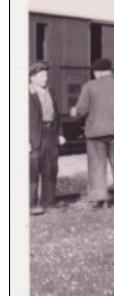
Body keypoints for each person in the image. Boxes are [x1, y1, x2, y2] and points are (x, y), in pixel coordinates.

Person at [70, 58, 114, 209]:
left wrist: (74, 112)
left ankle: (99, 199)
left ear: (96, 72)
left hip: (95, 133)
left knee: (96, 166)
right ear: (110, 71)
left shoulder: (89, 86)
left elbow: (81, 110)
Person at [29, 62, 66, 215]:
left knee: (50, 169)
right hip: (34, 136)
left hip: (50, 134)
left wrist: (60, 133)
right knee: (32, 170)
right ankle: (31, 204)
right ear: (32, 77)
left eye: (46, 75)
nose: (46, 78)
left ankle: (49, 202)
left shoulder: (50, 91)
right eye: (42, 75)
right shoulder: (26, 93)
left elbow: (57, 115)